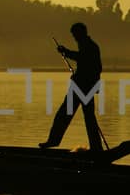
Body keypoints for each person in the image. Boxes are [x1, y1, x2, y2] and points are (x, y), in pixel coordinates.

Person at [40, 22, 105, 151]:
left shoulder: (89, 46)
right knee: (88, 118)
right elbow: (90, 65)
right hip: (84, 87)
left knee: (65, 114)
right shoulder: (88, 45)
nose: (74, 37)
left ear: (81, 33)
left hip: (82, 88)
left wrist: (66, 52)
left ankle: (53, 141)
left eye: (75, 34)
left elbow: (85, 60)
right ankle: (96, 147)